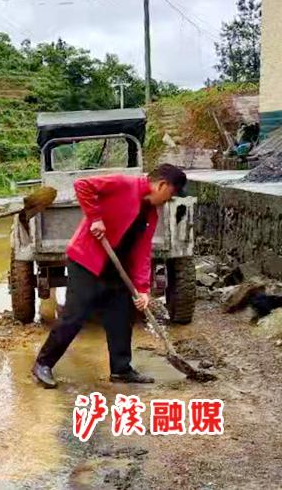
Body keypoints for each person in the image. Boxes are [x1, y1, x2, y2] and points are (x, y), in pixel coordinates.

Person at [31, 164, 188, 388]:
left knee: (121, 317)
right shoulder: (125, 184)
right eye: (171, 194)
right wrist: (95, 218)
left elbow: (142, 251)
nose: (169, 200)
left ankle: (121, 369)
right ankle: (43, 364)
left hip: (117, 268)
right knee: (75, 316)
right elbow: (82, 185)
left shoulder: (151, 214)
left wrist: (143, 289)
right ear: (162, 185)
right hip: (87, 261)